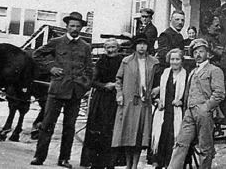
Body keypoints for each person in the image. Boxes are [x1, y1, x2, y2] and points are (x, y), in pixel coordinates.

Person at [30, 12, 93, 168]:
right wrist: (51, 68)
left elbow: (90, 69)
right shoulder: (56, 42)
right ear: (66, 26)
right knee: (47, 124)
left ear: (81, 28)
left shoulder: (85, 47)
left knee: (69, 127)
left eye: (78, 26)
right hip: (57, 89)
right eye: (72, 26)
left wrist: (85, 85)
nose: (75, 29)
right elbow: (37, 55)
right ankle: (39, 157)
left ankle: (64, 159)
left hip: (75, 92)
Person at [168, 38, 225, 169]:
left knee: (205, 148)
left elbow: (219, 93)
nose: (198, 55)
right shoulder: (193, 72)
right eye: (195, 52)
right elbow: (187, 92)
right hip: (190, 112)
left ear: (208, 54)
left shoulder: (214, 70)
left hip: (204, 113)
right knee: (180, 144)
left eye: (201, 51)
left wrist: (206, 108)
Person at [112, 34, 160, 169]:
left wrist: (156, 90)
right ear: (135, 46)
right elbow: (118, 80)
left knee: (139, 136)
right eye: (139, 44)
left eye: (144, 44)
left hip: (144, 103)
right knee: (128, 134)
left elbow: (158, 81)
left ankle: (135, 165)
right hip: (128, 102)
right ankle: (128, 164)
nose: (142, 46)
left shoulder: (153, 63)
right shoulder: (126, 61)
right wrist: (119, 95)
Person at [80, 38, 125, 169]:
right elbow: (93, 81)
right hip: (101, 99)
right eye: (108, 48)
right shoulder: (101, 62)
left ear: (118, 48)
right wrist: (105, 85)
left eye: (113, 47)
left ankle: (111, 163)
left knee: (113, 130)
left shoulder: (123, 61)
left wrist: (117, 86)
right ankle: (96, 162)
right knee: (98, 129)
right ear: (105, 49)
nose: (111, 50)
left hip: (117, 98)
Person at [150, 48, 188, 169]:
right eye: (172, 59)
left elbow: (189, 94)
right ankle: (159, 163)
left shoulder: (186, 75)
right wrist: (157, 100)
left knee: (173, 138)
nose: (175, 62)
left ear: (182, 60)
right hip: (164, 111)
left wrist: (181, 101)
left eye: (177, 59)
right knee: (161, 135)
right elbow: (154, 92)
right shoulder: (164, 73)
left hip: (178, 113)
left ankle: (171, 164)